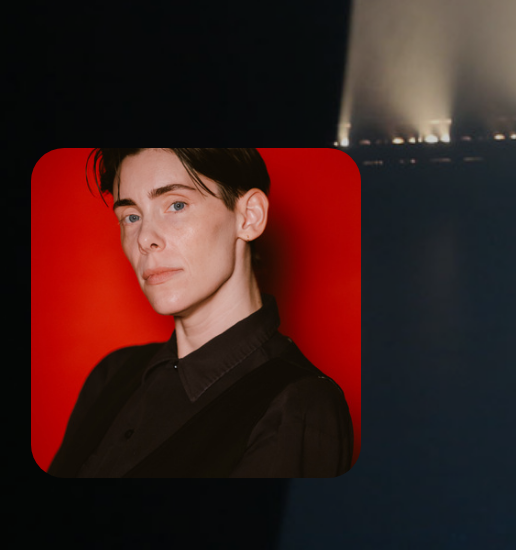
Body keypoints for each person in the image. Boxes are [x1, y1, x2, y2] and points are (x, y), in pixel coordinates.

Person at [47, 148, 353, 476]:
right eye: (131, 216)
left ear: (249, 217)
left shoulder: (300, 404)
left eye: (176, 205)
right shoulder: (113, 374)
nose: (145, 239)